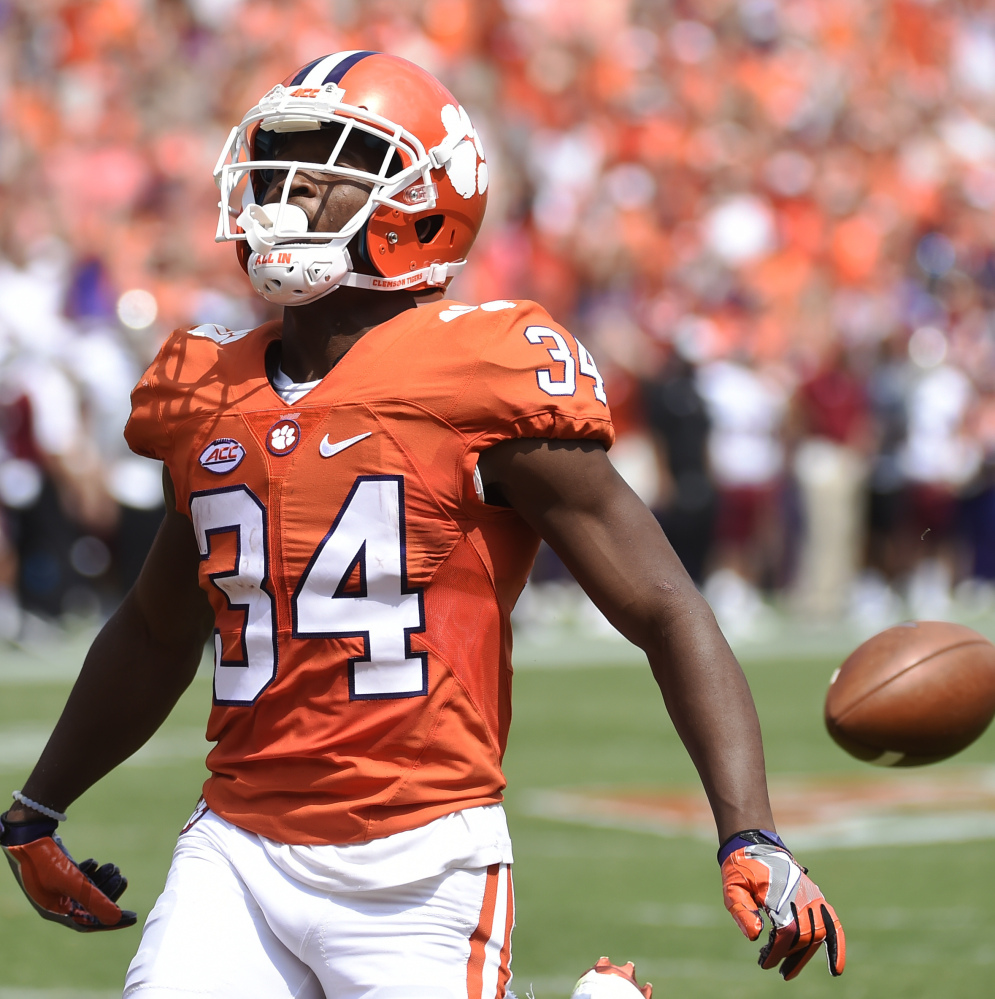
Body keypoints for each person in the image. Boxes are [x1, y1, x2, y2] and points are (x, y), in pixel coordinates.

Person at [0, 52, 845, 998]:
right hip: (235, 846)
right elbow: (160, 626)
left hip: (419, 862)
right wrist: (37, 808)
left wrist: (751, 832)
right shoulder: (212, 390)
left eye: (331, 160)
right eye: (278, 159)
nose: (285, 186)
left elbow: (664, 607)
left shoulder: (478, 373)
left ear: (421, 203)